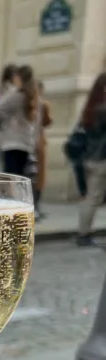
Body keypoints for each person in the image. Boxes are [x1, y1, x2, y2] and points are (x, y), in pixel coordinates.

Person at [0, 64, 37, 177]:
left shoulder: (17, 94)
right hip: (26, 141)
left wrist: (6, 120)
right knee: (20, 176)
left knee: (10, 177)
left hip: (11, 141)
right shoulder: (33, 94)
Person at [77, 72, 106, 246]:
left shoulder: (90, 107)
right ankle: (83, 233)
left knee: (89, 197)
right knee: (93, 198)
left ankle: (83, 232)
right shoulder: (103, 109)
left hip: (88, 157)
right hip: (101, 159)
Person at [33, 81, 53, 214]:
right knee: (37, 175)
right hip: (36, 141)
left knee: (39, 175)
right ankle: (35, 205)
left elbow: (47, 121)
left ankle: (37, 204)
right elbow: (48, 121)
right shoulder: (39, 104)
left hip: (37, 141)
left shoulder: (42, 105)